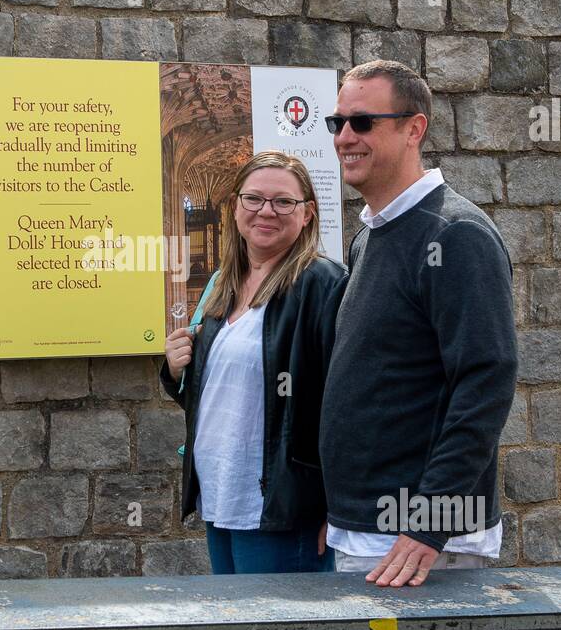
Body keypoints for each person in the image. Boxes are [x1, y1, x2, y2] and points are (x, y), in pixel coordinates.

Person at [320, 60, 518, 587]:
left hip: (419, 541)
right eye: (335, 122)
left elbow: (485, 381)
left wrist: (430, 520)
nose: (344, 137)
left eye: (362, 122)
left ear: (414, 129)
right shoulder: (370, 236)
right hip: (366, 530)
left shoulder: (457, 235)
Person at [160, 151, 347, 574]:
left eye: (283, 202)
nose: (266, 210)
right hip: (221, 494)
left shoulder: (322, 285)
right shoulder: (220, 283)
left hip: (284, 508)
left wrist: (335, 505)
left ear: (308, 214)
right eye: (254, 199)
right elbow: (221, 388)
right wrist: (175, 369)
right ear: (236, 207)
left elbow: (348, 402)